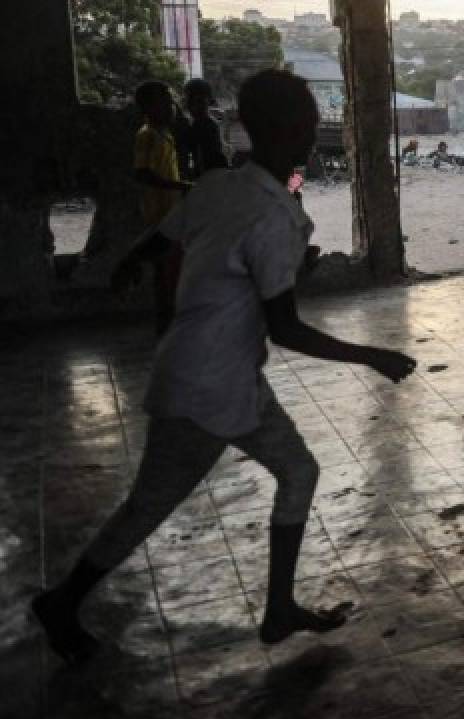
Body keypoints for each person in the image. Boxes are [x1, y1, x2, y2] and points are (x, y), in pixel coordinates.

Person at [32, 70, 419, 665]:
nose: (315, 131)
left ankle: (279, 610)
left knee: (298, 471)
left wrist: (128, 265)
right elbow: (285, 326)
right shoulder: (269, 214)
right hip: (205, 388)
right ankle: (63, 603)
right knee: (150, 504)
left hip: (224, 376)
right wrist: (375, 355)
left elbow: (160, 239)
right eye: (311, 121)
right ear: (291, 130)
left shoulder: (221, 186)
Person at [132, 81, 190, 336]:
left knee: (171, 271)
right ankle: (166, 324)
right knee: (164, 272)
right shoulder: (147, 136)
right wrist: (180, 185)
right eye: (164, 101)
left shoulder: (164, 134)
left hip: (170, 212)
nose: (171, 106)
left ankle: (169, 322)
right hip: (159, 214)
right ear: (148, 107)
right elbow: (142, 174)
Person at [179, 78, 229, 179]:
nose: (193, 106)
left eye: (198, 101)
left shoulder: (202, 125)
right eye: (190, 100)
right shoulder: (201, 123)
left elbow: (206, 157)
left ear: (208, 101)